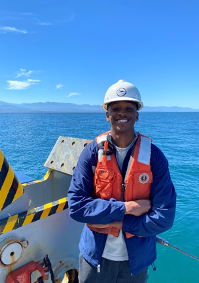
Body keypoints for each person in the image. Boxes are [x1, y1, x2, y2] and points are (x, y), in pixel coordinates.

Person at [68, 79, 176, 283]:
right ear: (107, 114)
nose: (122, 113)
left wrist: (120, 222)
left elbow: (165, 216)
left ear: (137, 114)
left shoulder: (154, 157)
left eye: (129, 108)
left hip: (135, 263)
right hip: (95, 259)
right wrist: (127, 208)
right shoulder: (91, 153)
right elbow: (76, 206)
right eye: (115, 108)